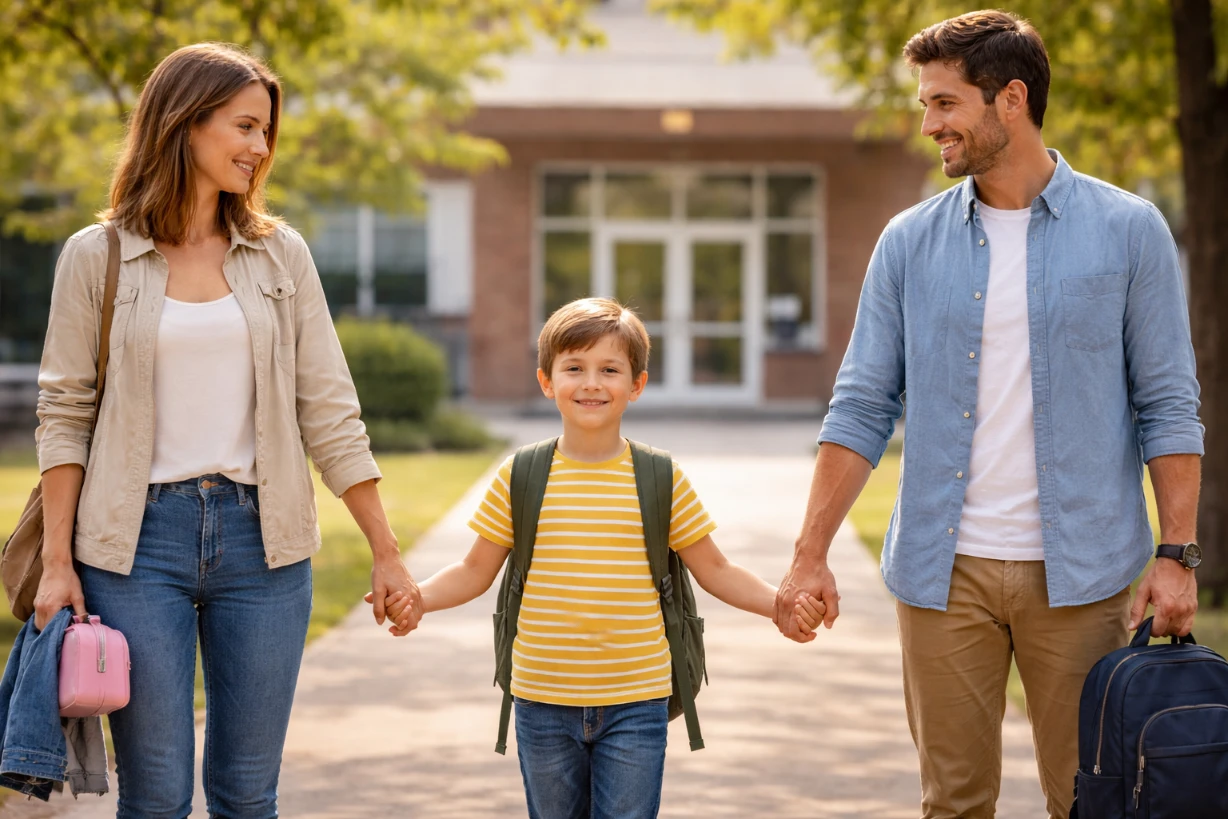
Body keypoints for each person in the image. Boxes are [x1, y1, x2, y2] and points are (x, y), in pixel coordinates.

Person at [774, 10, 1203, 819]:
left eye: (944, 103)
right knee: (954, 803)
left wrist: (1177, 552)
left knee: (1090, 798)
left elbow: (1169, 403)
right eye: (927, 105)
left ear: (1011, 99)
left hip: (1082, 573)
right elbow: (862, 403)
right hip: (944, 573)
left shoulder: (1130, 231)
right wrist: (810, 555)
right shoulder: (907, 241)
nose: (928, 123)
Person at [32, 43, 422, 817]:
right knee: (157, 793)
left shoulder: (280, 255)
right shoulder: (97, 255)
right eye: (245, 126)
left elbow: (330, 408)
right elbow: (65, 412)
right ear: (186, 122)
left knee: (248, 793)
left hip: (264, 544)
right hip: (136, 545)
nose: (260, 148)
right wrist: (55, 561)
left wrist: (386, 551)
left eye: (266, 131)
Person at [379, 297, 822, 819]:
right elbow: (474, 571)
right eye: (574, 368)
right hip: (542, 699)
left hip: (638, 699)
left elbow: (717, 570)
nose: (592, 383)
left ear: (636, 385)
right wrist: (418, 599)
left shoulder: (660, 478)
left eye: (610, 369)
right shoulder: (521, 475)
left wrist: (779, 605)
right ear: (547, 381)